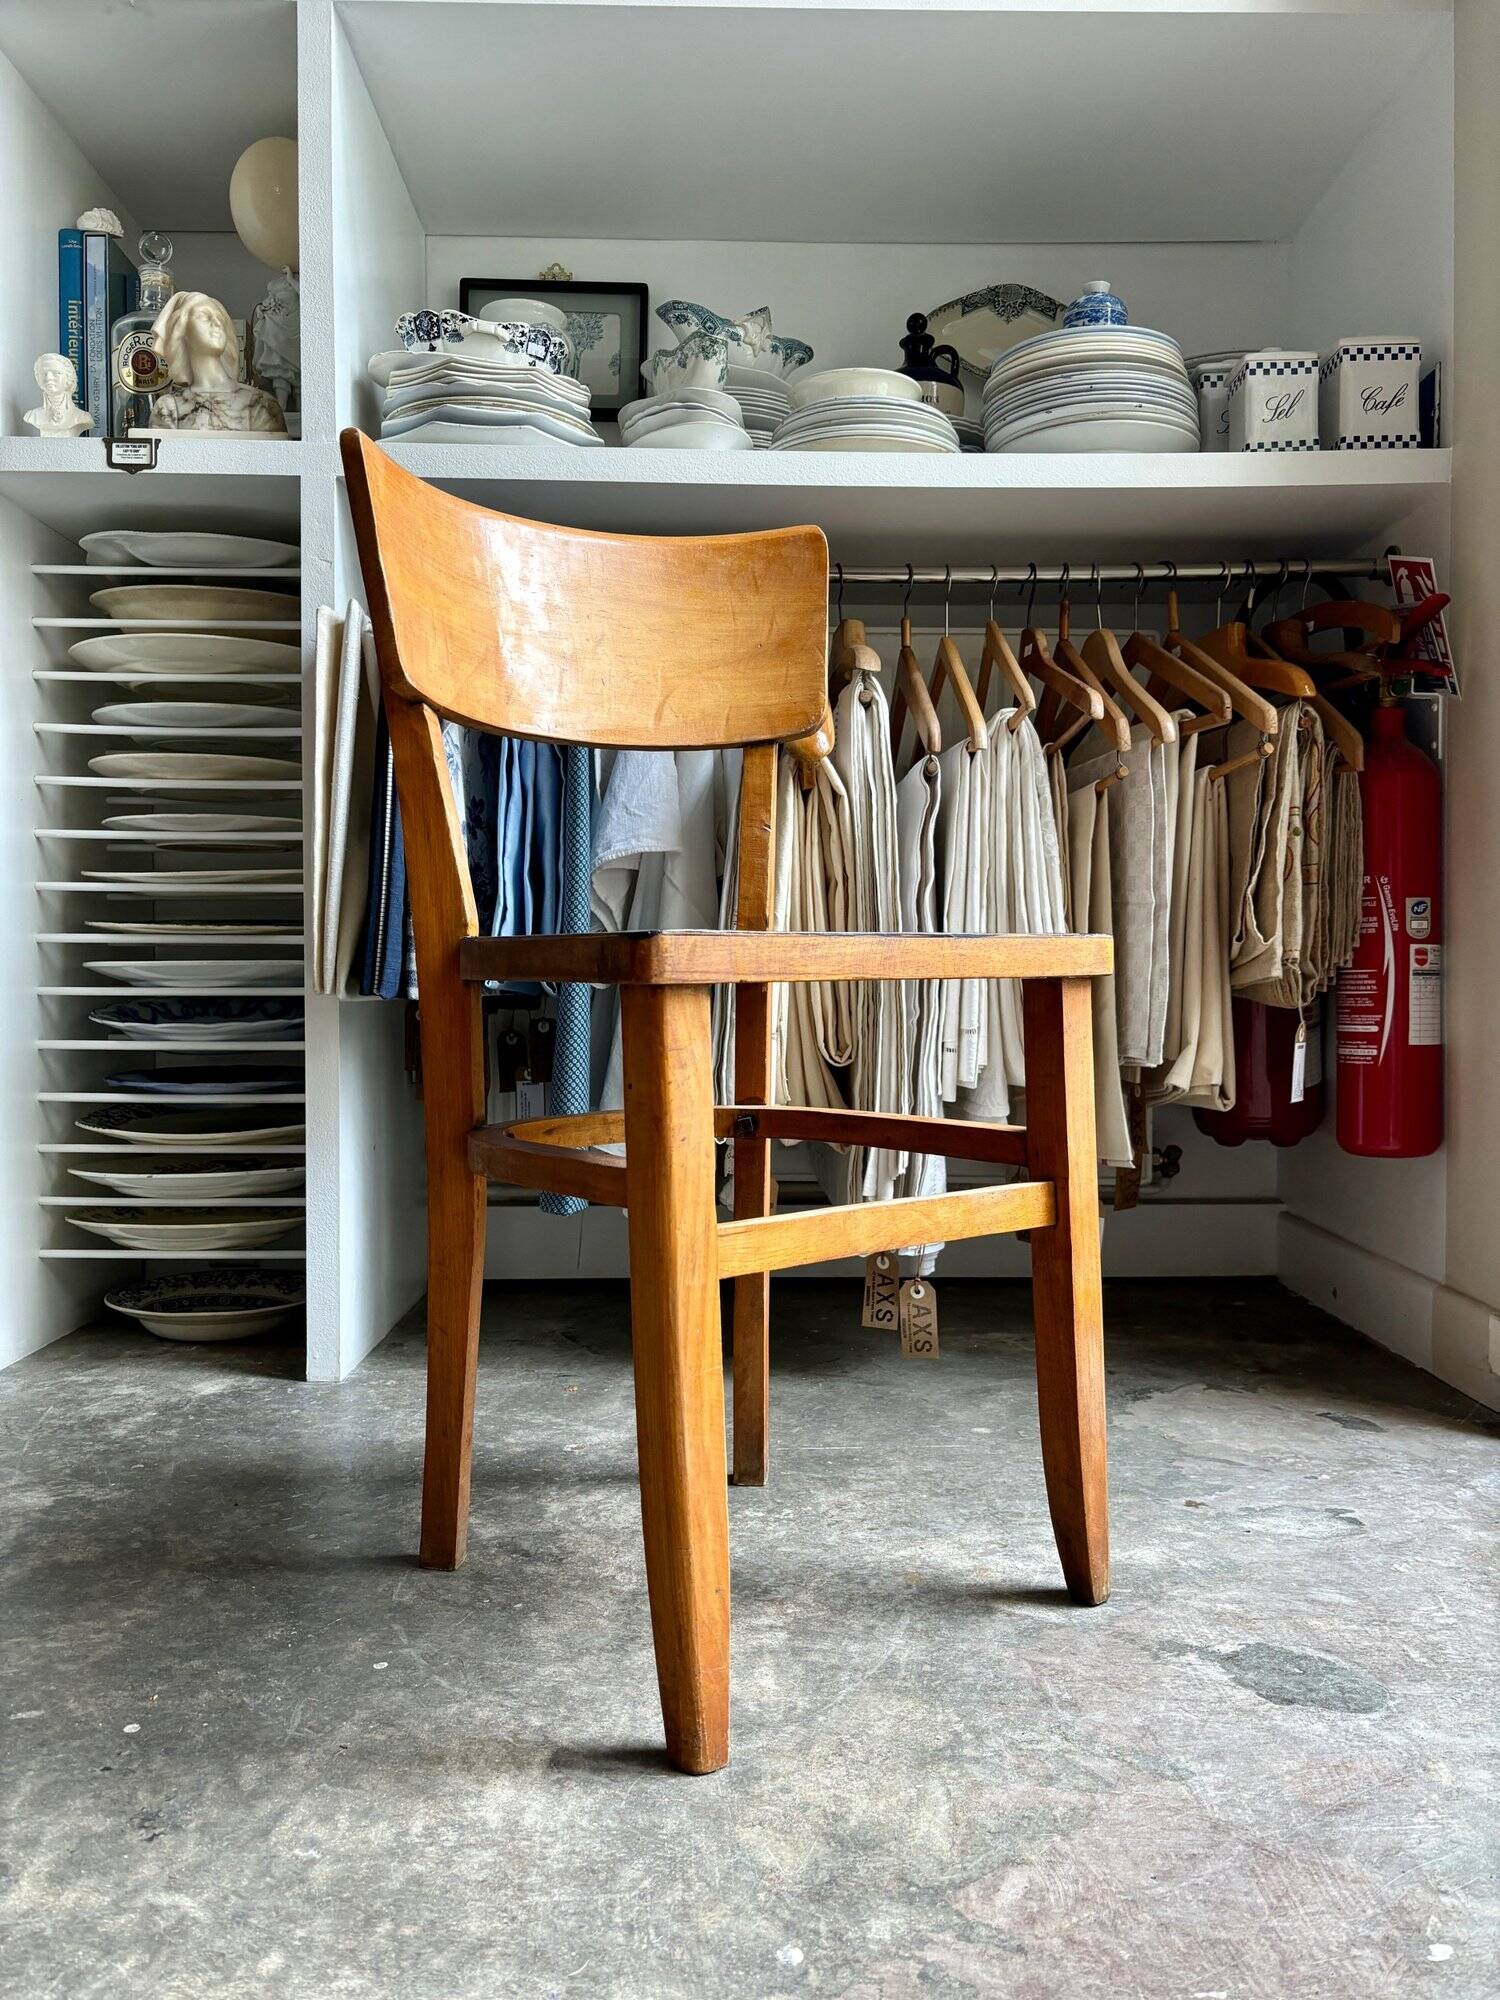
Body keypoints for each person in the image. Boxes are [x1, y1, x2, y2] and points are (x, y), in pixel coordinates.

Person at [148, 292, 287, 434]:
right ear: (182, 332)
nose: (217, 324)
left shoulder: (260, 405)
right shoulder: (168, 408)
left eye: (220, 318)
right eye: (203, 316)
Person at [23, 352, 93, 436]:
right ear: (38, 378)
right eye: (44, 374)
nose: (49, 378)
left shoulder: (82, 417)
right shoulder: (32, 416)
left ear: (68, 377)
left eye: (56, 373)